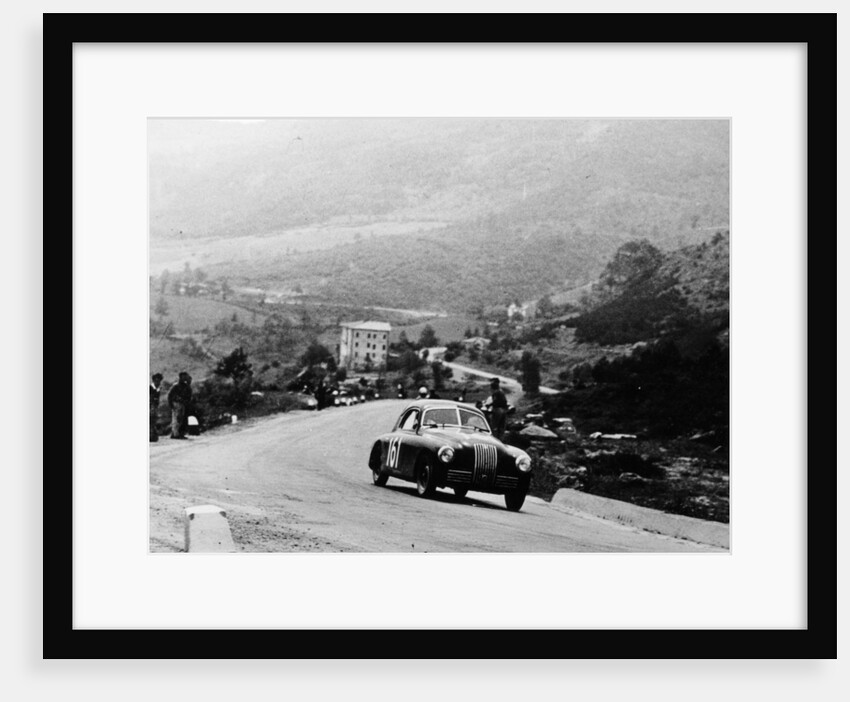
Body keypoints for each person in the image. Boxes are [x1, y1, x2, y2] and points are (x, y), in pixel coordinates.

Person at [167, 371, 193, 440]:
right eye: (184, 377)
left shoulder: (185, 386)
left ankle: (177, 433)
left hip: (182, 404)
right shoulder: (176, 386)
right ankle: (175, 434)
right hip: (176, 403)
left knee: (180, 419)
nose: (185, 378)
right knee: (176, 419)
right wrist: (171, 404)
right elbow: (170, 395)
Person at [149, 373, 164, 442]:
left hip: (154, 407)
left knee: (153, 421)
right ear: (154, 380)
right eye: (156, 381)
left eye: (159, 381)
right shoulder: (150, 388)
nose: (158, 382)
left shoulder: (158, 389)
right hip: (150, 407)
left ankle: (152, 436)